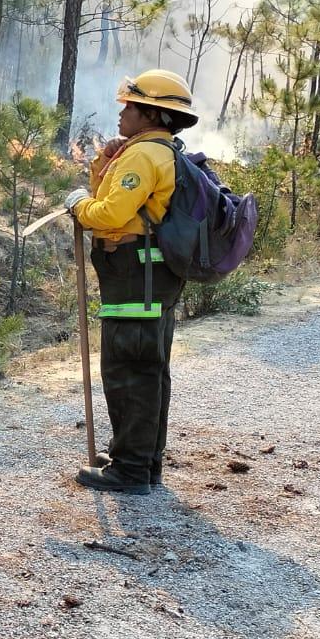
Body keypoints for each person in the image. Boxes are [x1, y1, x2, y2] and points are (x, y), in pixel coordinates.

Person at [62, 70, 198, 496]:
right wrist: (106, 159)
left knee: (129, 369)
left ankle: (131, 469)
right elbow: (117, 198)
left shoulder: (144, 158)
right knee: (149, 369)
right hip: (151, 278)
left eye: (129, 106)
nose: (121, 112)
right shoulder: (155, 152)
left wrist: (78, 206)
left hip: (135, 278)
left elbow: (108, 214)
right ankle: (142, 460)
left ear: (149, 113)